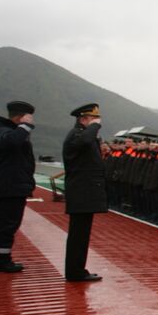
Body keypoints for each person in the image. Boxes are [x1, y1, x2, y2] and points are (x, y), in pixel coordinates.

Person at [0, 100, 37, 273]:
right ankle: (0, 261)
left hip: (12, 185)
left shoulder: (6, 131)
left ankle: (1, 257)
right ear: (20, 117)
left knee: (8, 224)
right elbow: (13, 142)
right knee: (5, 224)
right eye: (29, 118)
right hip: (8, 186)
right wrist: (25, 126)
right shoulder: (1, 132)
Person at [61, 102, 108, 282]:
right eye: (93, 119)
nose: (97, 123)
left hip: (84, 193)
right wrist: (95, 126)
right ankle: (75, 271)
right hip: (81, 192)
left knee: (80, 235)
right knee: (78, 235)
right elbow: (86, 140)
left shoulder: (81, 136)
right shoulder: (77, 135)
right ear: (83, 119)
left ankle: (77, 269)